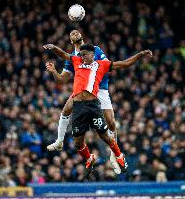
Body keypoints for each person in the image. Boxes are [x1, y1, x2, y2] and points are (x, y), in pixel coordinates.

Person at [44, 43, 152, 176]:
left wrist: (140, 54)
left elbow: (124, 64)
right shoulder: (76, 60)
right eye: (81, 55)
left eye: (85, 55)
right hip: (78, 106)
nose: (82, 57)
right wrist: (54, 49)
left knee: (105, 136)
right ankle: (89, 158)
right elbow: (63, 54)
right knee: (78, 143)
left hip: (93, 105)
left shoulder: (102, 64)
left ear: (92, 54)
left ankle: (119, 156)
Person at [44, 30, 121, 174]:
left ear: (81, 37)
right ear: (71, 41)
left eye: (76, 32)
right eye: (71, 33)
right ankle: (59, 141)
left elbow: (107, 65)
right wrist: (54, 71)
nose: (74, 32)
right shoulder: (72, 58)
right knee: (66, 109)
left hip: (100, 88)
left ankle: (114, 155)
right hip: (83, 90)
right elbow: (63, 79)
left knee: (111, 122)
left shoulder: (95, 50)